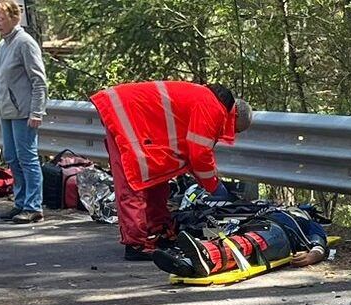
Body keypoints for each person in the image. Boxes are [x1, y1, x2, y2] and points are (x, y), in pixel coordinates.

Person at [89, 79, 250, 260]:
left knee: (156, 175)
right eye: (235, 131)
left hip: (131, 113)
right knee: (134, 180)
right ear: (234, 119)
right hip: (126, 112)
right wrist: (215, 187)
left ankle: (159, 229)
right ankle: (137, 244)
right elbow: (199, 156)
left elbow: (192, 152)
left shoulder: (208, 100)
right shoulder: (213, 109)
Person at [151, 202, 328, 279]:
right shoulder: (270, 210)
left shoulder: (305, 221)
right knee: (233, 239)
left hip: (280, 236)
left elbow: (318, 240)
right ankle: (188, 264)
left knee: (250, 242)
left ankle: (207, 258)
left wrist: (314, 255)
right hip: (256, 228)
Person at [0, 0, 44, 223]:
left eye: (0, 19)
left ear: (14, 18)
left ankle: (33, 206)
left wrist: (36, 112)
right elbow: (1, 81)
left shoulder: (25, 43)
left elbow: (39, 81)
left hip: (23, 112)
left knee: (27, 158)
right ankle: (20, 202)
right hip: (7, 111)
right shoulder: (3, 45)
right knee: (12, 157)